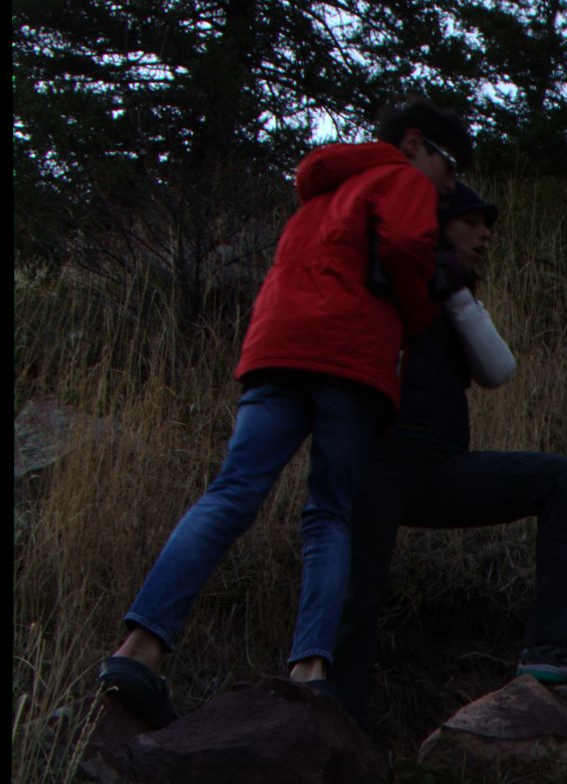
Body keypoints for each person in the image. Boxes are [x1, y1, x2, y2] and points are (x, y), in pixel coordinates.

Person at [96, 100, 468, 727]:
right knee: (328, 513)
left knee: (230, 494)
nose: (450, 183)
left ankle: (139, 651)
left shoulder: (322, 188)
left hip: (275, 348)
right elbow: (406, 243)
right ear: (414, 143)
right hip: (348, 358)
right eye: (449, 163)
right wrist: (416, 314)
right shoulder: (401, 177)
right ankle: (310, 672)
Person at [328, 176, 567, 734]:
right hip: (378, 462)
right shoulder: (384, 277)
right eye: (471, 220)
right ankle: (333, 727)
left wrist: (456, 291)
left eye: (486, 222)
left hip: (440, 467)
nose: (486, 233)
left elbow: (499, 370)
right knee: (355, 597)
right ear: (434, 227)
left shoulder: (456, 294)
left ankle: (557, 646)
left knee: (566, 480)